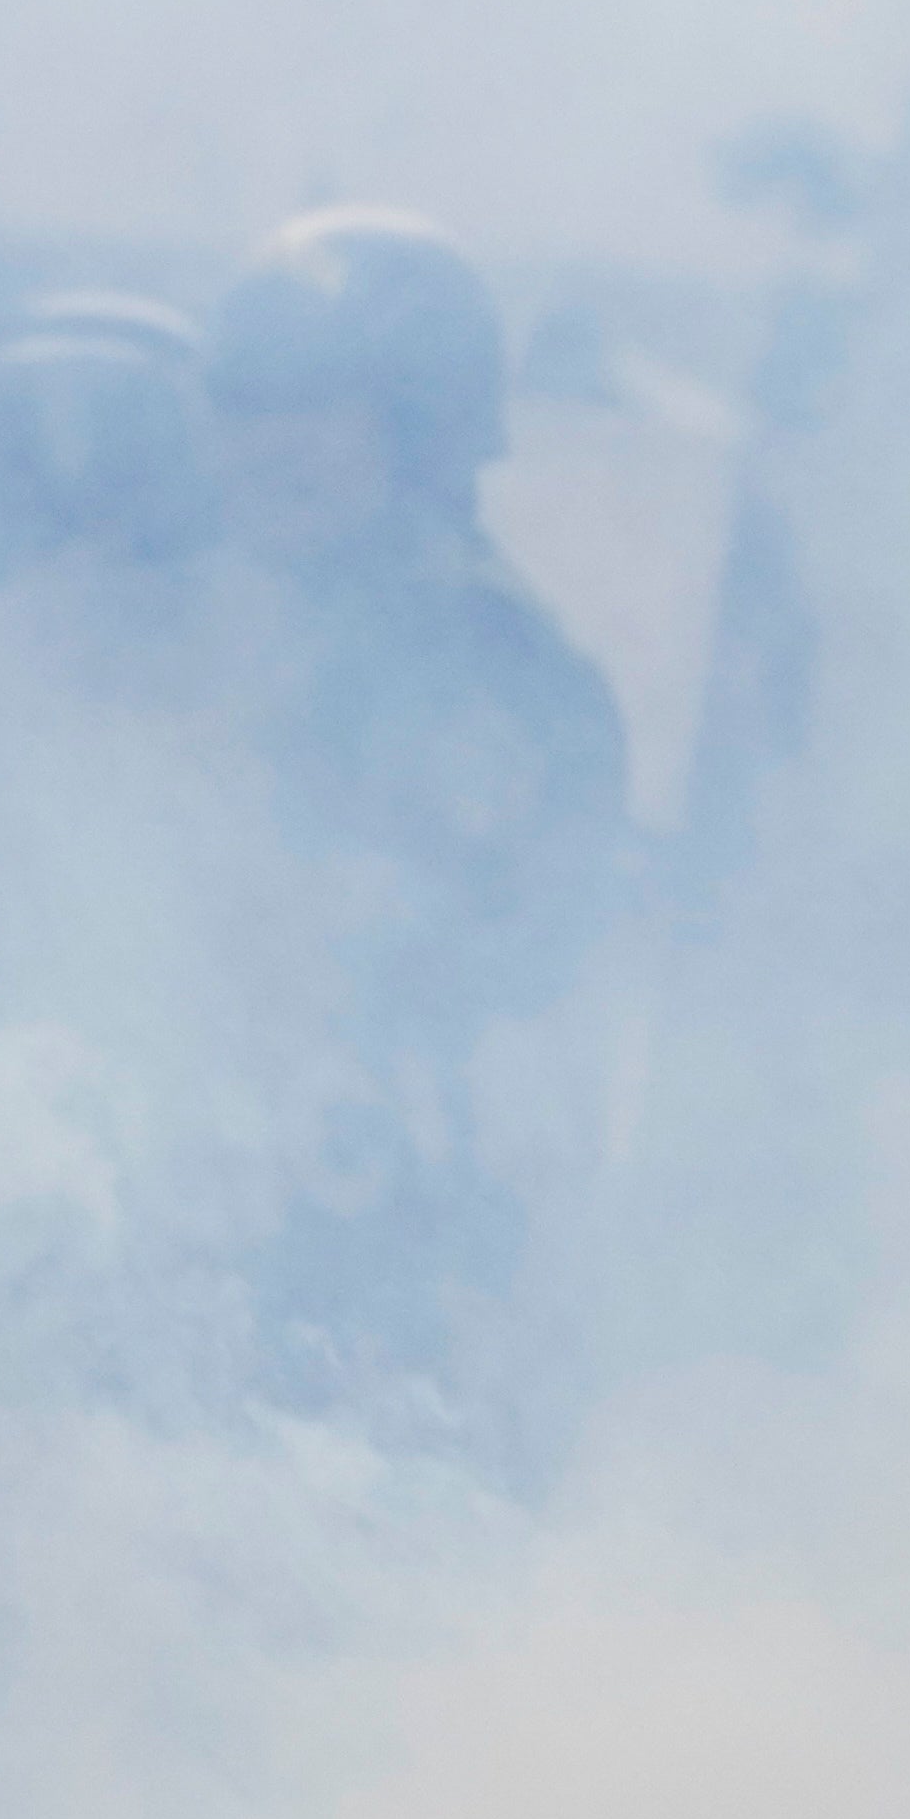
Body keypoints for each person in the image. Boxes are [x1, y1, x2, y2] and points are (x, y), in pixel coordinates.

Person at [186, 207, 634, 1462]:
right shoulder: (245, 637)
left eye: (316, 401)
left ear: (425, 422)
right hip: (261, 1259)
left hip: (399, 1297)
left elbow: (470, 992)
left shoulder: (487, 667)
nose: (264, 442)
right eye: (243, 398)